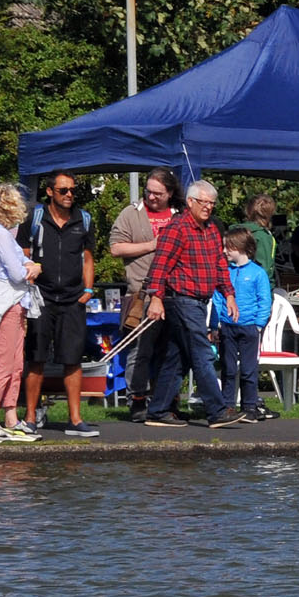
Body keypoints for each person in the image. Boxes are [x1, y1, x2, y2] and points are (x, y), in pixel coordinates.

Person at [142, 180, 236, 428]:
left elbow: (220, 265)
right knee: (201, 353)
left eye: (212, 203)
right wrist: (156, 297)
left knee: (178, 358)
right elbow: (160, 266)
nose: (208, 208)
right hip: (180, 300)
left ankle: (158, 410)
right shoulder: (177, 228)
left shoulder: (212, 230)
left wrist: (228, 294)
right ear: (191, 202)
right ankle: (216, 411)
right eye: (204, 202)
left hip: (199, 301)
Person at [19, 170, 99, 436]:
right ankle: (30, 417)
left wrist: (88, 290)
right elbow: (24, 254)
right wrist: (28, 288)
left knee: (72, 359)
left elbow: (88, 258)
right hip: (40, 298)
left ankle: (75, 419)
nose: (69, 195)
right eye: (63, 190)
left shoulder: (84, 220)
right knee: (36, 357)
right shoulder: (34, 218)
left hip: (72, 298)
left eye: (72, 190)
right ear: (50, 192)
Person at [107, 168, 181, 421]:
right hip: (141, 293)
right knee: (140, 350)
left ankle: (168, 400)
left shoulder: (179, 216)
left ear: (170, 193)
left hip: (174, 295)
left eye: (158, 193)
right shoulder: (131, 213)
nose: (151, 197)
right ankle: (137, 399)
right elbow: (115, 247)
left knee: (171, 350)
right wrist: (152, 245)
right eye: (148, 191)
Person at [0, 184, 41, 443]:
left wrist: (28, 265)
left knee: (16, 364)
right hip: (3, 302)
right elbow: (18, 271)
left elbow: (20, 261)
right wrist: (33, 268)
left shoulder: (1, 233)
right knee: (2, 364)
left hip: (15, 301)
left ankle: (11, 418)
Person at [212, 226, 273, 425]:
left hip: (249, 327)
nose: (224, 251)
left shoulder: (257, 273)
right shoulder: (225, 272)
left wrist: (258, 324)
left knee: (248, 369)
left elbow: (265, 300)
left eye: (229, 247)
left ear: (242, 247)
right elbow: (218, 297)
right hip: (228, 326)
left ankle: (249, 407)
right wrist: (219, 321)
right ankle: (228, 405)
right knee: (228, 368)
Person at [233, 193, 278, 276]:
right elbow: (265, 269)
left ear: (248, 211)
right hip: (257, 285)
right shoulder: (263, 237)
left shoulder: (235, 232)